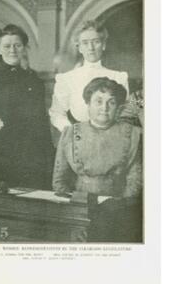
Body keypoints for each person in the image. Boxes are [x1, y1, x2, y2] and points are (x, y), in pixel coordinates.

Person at [0, 24, 54, 190]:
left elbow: (41, 124)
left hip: (29, 162)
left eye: (17, 45)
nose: (12, 50)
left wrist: (49, 163)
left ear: (24, 48)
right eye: (7, 46)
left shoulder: (34, 81)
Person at [52, 77, 142, 242]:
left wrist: (118, 206)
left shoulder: (133, 134)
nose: (104, 108)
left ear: (118, 107)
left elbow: (135, 180)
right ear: (88, 104)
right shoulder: (70, 133)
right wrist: (76, 208)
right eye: (98, 101)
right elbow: (59, 180)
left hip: (118, 212)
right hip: (78, 211)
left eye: (111, 102)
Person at [49, 20, 129, 133]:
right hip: (78, 137)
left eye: (96, 41)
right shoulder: (66, 79)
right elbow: (56, 113)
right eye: (85, 43)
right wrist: (71, 132)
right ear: (79, 47)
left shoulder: (119, 77)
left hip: (111, 137)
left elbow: (124, 113)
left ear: (104, 45)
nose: (91, 47)